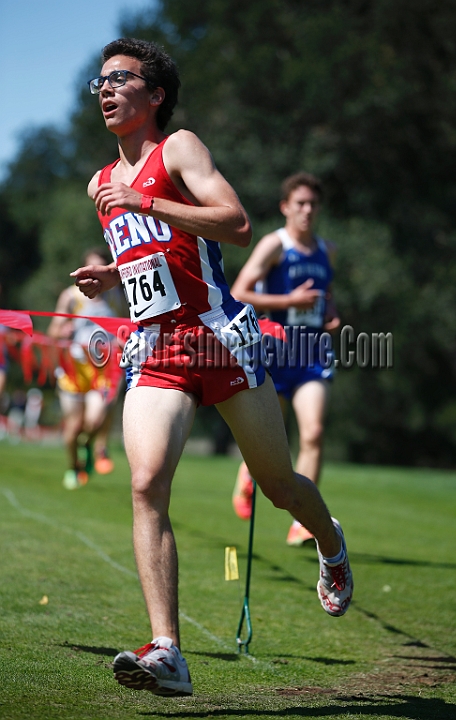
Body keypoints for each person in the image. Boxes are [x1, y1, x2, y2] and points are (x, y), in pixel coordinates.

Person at [71, 37, 353, 699]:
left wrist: (147, 204)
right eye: (99, 82)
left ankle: (329, 541)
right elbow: (155, 255)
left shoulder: (180, 149)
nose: (106, 90)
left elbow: (234, 223)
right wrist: (112, 271)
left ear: (156, 94)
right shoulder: (98, 184)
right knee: (146, 484)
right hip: (158, 347)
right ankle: (168, 650)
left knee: (279, 483)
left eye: (121, 79)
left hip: (220, 337)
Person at [230, 172, 340, 547]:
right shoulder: (273, 245)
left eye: (313, 204)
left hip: (312, 353)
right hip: (274, 351)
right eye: (300, 204)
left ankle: (302, 523)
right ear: (286, 208)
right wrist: (289, 302)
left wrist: (331, 314)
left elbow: (327, 293)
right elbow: (240, 290)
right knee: (268, 438)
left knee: (313, 432)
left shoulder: (327, 249)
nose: (307, 211)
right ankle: (248, 473)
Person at [48, 247, 125, 489]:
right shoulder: (70, 296)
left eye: (98, 269)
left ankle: (91, 445)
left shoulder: (116, 296)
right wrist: (63, 330)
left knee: (94, 421)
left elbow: (125, 325)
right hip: (74, 369)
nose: (92, 276)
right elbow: (53, 331)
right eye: (88, 270)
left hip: (102, 369)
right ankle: (73, 467)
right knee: (73, 427)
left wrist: (122, 339)